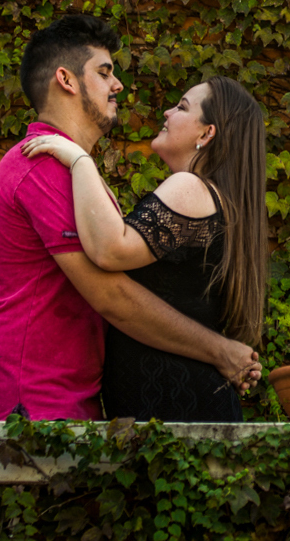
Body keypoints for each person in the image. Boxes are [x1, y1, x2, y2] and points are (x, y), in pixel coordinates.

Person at [0, 15, 260, 421]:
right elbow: (111, 295)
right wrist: (219, 349)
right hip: (25, 405)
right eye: (104, 73)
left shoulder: (72, 171)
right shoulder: (42, 166)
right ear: (66, 81)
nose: (118, 85)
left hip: (62, 404)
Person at [22, 75, 268, 421]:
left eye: (182, 107)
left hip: (174, 402)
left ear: (206, 134)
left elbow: (111, 250)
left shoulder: (189, 187)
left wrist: (80, 161)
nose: (167, 112)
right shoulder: (219, 200)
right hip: (178, 400)